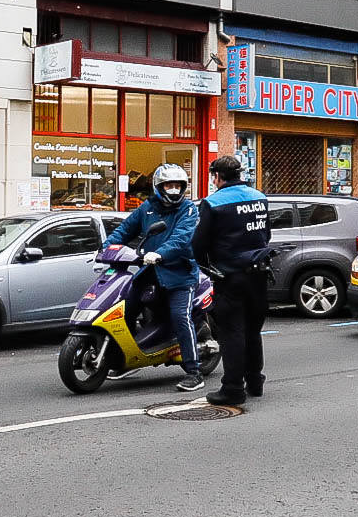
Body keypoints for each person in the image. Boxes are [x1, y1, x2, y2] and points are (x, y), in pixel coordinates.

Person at [102, 164, 203, 391]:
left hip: (180, 274)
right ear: (159, 187)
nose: (174, 190)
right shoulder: (147, 208)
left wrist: (160, 253)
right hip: (149, 271)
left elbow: (181, 239)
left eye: (178, 186)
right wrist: (106, 247)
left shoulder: (188, 210)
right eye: (169, 185)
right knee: (124, 309)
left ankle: (194, 371)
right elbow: (125, 230)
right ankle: (125, 360)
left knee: (180, 317)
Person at [192, 155, 271, 406]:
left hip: (230, 275)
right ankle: (255, 381)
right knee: (252, 330)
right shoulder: (259, 197)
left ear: (217, 176)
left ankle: (233, 388)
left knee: (232, 332)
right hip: (259, 272)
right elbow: (265, 234)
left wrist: (207, 267)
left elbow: (199, 243)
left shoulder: (213, 203)